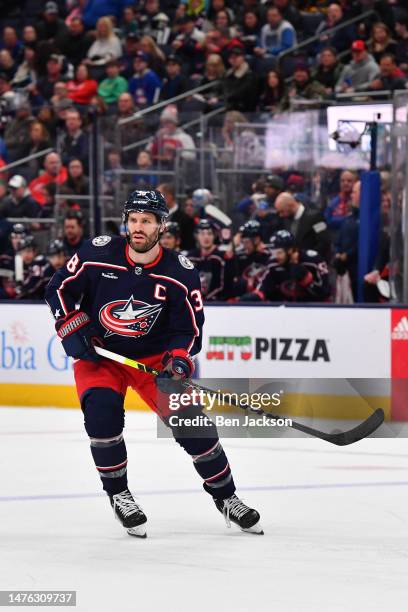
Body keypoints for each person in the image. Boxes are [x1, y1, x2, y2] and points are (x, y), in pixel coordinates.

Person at [45, 189, 263, 537]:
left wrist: (177, 364)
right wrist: (70, 326)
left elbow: (189, 331)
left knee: (195, 427)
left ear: (162, 226)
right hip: (100, 355)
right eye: (133, 220)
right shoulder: (97, 253)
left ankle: (227, 498)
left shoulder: (181, 272)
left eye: (146, 221)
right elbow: (58, 289)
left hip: (152, 360)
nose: (138, 227)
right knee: (102, 416)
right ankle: (119, 495)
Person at [244, 230, 331, 302]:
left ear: (290, 250)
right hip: (286, 311)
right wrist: (250, 298)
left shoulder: (313, 261)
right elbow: (263, 289)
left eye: (279, 252)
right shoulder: (273, 264)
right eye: (273, 252)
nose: (275, 256)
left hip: (314, 310)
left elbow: (325, 293)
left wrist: (307, 280)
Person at [274, 191, 331, 259]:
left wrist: (306, 257)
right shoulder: (286, 219)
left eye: (282, 211)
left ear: (290, 205)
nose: (280, 215)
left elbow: (324, 242)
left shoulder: (316, 217)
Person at [186, 219, 226, 300]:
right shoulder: (190, 257)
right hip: (195, 302)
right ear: (197, 236)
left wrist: (206, 300)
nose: (206, 237)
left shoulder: (220, 257)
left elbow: (222, 286)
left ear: (214, 236)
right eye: (202, 234)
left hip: (217, 304)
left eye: (209, 233)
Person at [157, 182, 195, 250]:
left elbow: (189, 245)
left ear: (168, 197)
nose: (156, 201)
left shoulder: (186, 219)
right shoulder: (155, 217)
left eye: (158, 197)